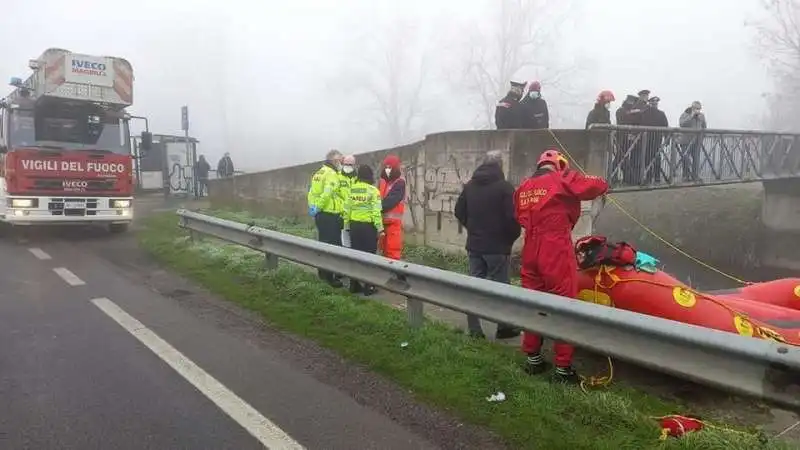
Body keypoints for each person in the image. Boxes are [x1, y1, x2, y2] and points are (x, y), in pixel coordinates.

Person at [514, 148, 609, 383]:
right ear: (558, 164)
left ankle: (533, 359)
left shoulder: (524, 186)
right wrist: (602, 184)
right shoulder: (562, 178)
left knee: (533, 302)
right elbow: (594, 186)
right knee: (564, 304)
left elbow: (518, 214)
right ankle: (563, 369)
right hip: (554, 245)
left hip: (530, 246)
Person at [454, 150, 522, 340]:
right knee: (501, 289)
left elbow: (459, 211)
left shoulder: (470, 186)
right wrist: (509, 239)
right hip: (497, 248)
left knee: (475, 287)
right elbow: (513, 219)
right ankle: (503, 327)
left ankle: (475, 330)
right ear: (500, 165)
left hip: (475, 245)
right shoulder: (505, 188)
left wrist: (472, 228)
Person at [343, 164, 384, 296]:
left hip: (354, 226)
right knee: (369, 257)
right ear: (370, 176)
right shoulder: (373, 191)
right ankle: (368, 287)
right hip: (368, 227)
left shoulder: (352, 189)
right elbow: (376, 212)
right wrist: (380, 229)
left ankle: (354, 285)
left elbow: (346, 209)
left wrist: (346, 226)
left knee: (355, 255)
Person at [307, 149, 345, 287]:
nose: (341, 163)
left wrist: (313, 208)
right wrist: (319, 206)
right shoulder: (331, 174)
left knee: (323, 243)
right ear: (335, 161)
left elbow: (311, 192)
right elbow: (327, 194)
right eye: (340, 160)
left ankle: (322, 273)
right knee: (332, 246)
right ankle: (330, 277)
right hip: (330, 214)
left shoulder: (319, 172)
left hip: (320, 215)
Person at [379, 154, 406, 260]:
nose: (387, 170)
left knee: (393, 253)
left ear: (395, 168)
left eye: (390, 167)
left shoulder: (400, 182)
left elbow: (391, 201)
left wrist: (376, 207)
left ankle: (395, 275)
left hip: (393, 224)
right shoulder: (382, 182)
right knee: (383, 251)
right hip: (381, 223)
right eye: (386, 167)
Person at [641, 96, 669, 183]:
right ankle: (653, 177)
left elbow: (665, 126)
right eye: (654, 103)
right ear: (651, 103)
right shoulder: (645, 113)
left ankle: (654, 177)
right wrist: (666, 137)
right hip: (649, 139)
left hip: (655, 139)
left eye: (656, 103)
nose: (655, 105)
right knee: (650, 158)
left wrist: (666, 138)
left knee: (654, 158)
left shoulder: (659, 114)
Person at [679, 101, 707, 181]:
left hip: (697, 141)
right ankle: (685, 176)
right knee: (685, 158)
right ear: (692, 108)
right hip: (686, 141)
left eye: (699, 109)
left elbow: (704, 127)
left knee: (696, 159)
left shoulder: (701, 116)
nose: (698, 110)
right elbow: (682, 124)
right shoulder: (685, 114)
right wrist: (691, 116)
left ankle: (695, 176)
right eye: (696, 108)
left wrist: (702, 138)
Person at [339, 155, 357, 248]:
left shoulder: (357, 178)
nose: (348, 167)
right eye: (346, 164)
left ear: (354, 165)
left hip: (355, 215)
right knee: (344, 243)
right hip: (341, 215)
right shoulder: (338, 176)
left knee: (354, 242)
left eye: (350, 165)